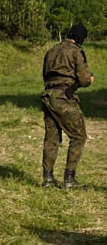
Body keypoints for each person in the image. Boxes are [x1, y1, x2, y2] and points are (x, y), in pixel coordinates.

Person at [41, 23, 94, 189]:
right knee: (78, 136)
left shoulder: (51, 51)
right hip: (64, 98)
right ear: (80, 38)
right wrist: (89, 80)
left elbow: (45, 75)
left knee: (52, 138)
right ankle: (69, 180)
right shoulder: (76, 52)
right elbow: (85, 79)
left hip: (47, 96)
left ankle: (48, 179)